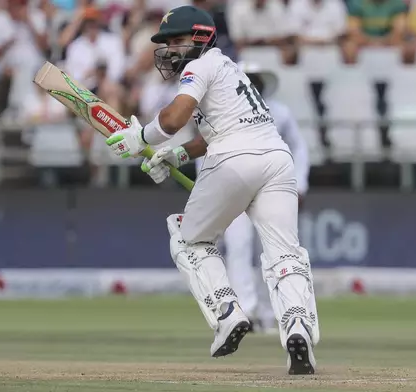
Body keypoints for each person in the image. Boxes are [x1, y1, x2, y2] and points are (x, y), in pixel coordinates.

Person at [103, 5, 319, 375]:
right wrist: (176, 155)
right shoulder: (231, 69)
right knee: (285, 255)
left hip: (233, 161)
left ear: (202, 37)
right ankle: (297, 326)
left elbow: (173, 118)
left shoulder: (199, 67)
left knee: (187, 239)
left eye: (177, 40)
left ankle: (228, 312)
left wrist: (139, 137)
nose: (170, 50)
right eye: (167, 43)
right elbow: (215, 130)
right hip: (276, 160)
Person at [194, 61, 310, 335]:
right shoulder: (220, 113)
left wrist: (300, 184)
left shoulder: (279, 112)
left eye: (254, 79)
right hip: (232, 190)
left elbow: (299, 147)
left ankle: (277, 314)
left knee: (275, 251)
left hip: (270, 189)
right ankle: (246, 312)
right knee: (238, 246)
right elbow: (207, 152)